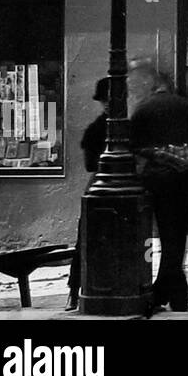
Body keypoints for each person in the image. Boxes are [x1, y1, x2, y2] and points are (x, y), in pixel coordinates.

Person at [129, 66, 188, 313]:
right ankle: (174, 289)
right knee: (179, 235)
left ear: (151, 86)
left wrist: (157, 154)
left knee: (164, 230)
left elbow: (133, 145)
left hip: (159, 176)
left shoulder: (143, 109)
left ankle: (167, 289)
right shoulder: (187, 106)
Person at [66, 78, 110, 311]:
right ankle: (75, 289)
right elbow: (89, 165)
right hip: (103, 188)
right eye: (106, 100)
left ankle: (78, 290)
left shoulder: (99, 128)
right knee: (85, 240)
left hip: (103, 188)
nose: (108, 104)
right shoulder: (97, 129)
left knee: (87, 240)